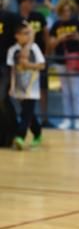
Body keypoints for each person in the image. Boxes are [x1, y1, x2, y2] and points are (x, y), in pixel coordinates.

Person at [49, 0, 79, 131]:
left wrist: (77, 37)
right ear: (60, 11)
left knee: (76, 91)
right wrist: (60, 38)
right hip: (61, 60)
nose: (67, 13)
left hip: (75, 59)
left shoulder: (77, 23)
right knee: (65, 92)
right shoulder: (56, 25)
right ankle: (67, 119)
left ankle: (78, 120)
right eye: (64, 11)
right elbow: (51, 44)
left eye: (69, 11)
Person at [7, 20, 45, 150]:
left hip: (32, 88)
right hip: (19, 87)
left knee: (25, 114)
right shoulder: (12, 50)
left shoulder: (34, 48)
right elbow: (12, 70)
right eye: (24, 34)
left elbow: (42, 65)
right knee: (29, 114)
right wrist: (12, 87)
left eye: (28, 33)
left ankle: (20, 137)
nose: (27, 36)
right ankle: (38, 133)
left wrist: (28, 65)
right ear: (16, 35)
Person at [17, 0, 51, 126]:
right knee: (23, 91)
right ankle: (28, 118)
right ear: (22, 3)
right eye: (29, 1)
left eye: (32, 1)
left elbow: (46, 37)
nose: (32, 3)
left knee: (43, 88)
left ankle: (44, 118)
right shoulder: (16, 18)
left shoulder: (39, 17)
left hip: (39, 57)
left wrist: (46, 55)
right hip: (22, 59)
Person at [0, 0, 22, 147]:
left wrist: (22, 51)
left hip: (5, 65)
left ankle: (13, 133)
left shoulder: (9, 17)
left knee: (2, 99)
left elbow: (26, 30)